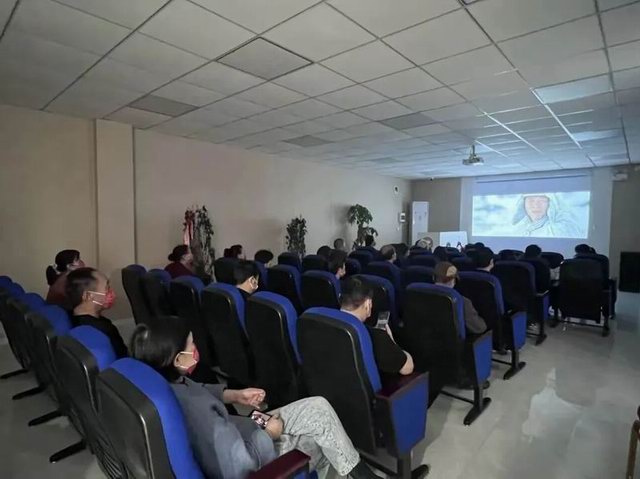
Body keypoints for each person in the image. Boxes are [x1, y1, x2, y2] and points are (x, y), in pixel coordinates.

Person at [129, 321, 378, 479]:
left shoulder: (167, 383)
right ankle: (360, 474)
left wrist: (236, 395)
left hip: (244, 425)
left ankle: (357, 471)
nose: (196, 348)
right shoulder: (201, 416)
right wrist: (270, 433)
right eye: (191, 344)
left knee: (318, 407)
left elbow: (199, 389)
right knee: (322, 439)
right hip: (254, 453)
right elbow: (240, 467)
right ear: (178, 359)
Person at [340, 277, 413, 377]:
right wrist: (391, 341)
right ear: (368, 303)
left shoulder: (321, 322)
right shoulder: (376, 337)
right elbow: (407, 368)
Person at [66, 267, 128, 358]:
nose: (112, 293)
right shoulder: (104, 330)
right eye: (107, 288)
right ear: (89, 296)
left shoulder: (69, 319)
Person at [434, 262, 487, 335]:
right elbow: (479, 328)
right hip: (452, 340)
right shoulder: (462, 302)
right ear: (453, 281)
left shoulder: (421, 293)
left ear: (433, 277)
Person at [512, 193, 582, 237]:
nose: (536, 205)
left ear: (550, 204)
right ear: (523, 204)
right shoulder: (515, 230)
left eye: (542, 201)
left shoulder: (559, 230)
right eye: (531, 201)